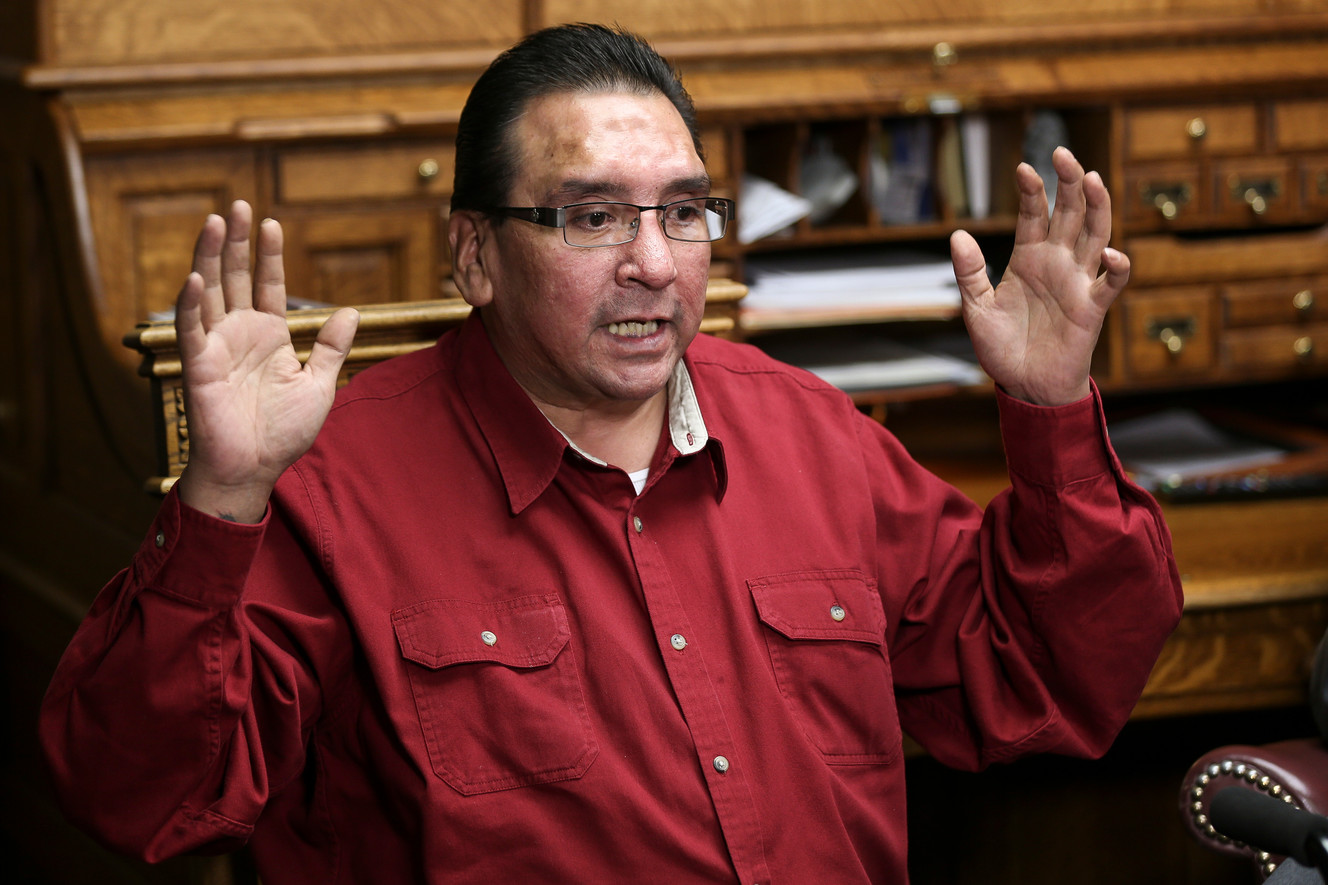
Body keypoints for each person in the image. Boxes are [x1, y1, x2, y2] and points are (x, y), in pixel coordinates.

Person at [39, 22, 1183, 884]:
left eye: (683, 212)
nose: (653, 263)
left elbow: (1046, 682)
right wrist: (224, 497)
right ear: (476, 255)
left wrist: (1051, 408)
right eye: (592, 217)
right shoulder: (334, 484)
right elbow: (144, 798)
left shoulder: (811, 433)